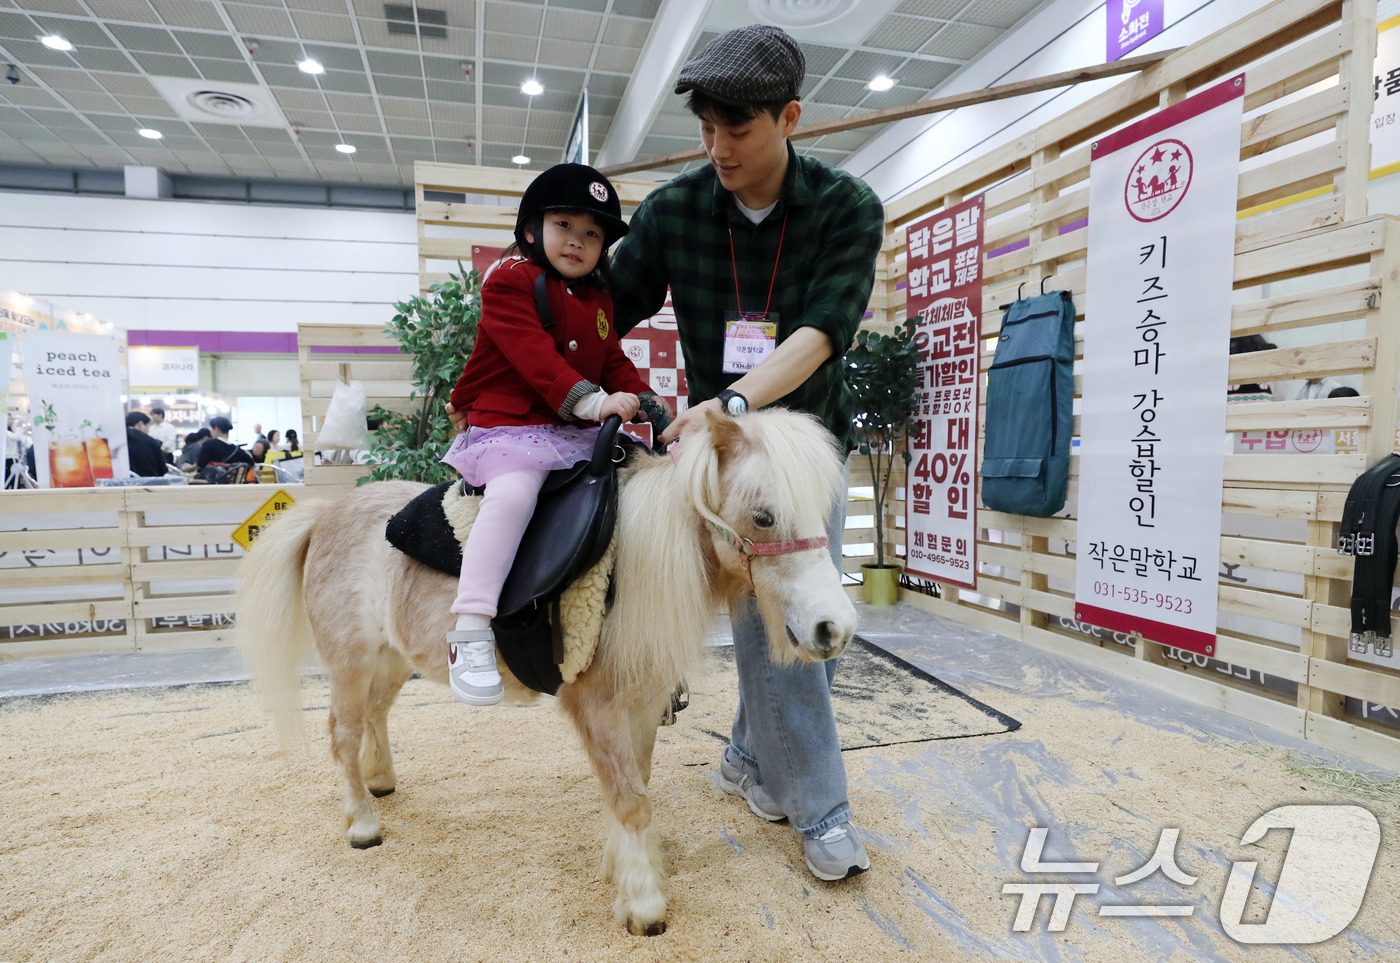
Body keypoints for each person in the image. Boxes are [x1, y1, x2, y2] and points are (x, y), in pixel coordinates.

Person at [609, 25, 885, 882]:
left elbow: (818, 335)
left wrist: (733, 396)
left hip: (806, 456)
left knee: (802, 626)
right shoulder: (676, 212)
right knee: (782, 638)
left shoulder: (847, 207)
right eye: (708, 129)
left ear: (790, 117)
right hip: (725, 468)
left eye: (741, 129)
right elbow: (603, 311)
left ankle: (751, 763)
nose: (719, 148)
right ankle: (821, 806)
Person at [441, 162, 654, 707]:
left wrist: (654, 407)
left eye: (592, 233)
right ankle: (470, 627)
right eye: (565, 225)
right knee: (515, 493)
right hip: (509, 425)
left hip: (567, 427)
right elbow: (536, 361)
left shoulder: (598, 301)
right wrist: (594, 402)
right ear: (532, 229)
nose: (578, 241)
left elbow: (613, 363)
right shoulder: (510, 281)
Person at [125, 411, 168, 478]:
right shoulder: (150, 441)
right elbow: (162, 470)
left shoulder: (116, 440)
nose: (148, 429)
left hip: (120, 485)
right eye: (148, 426)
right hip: (149, 485)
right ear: (140, 423)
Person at [5, 414, 24, 489]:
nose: (12, 420)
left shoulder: (8, 432)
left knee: (11, 478)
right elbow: (16, 437)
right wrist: (20, 427)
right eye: (10, 419)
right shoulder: (6, 432)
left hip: (11, 457)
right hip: (10, 457)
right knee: (12, 478)